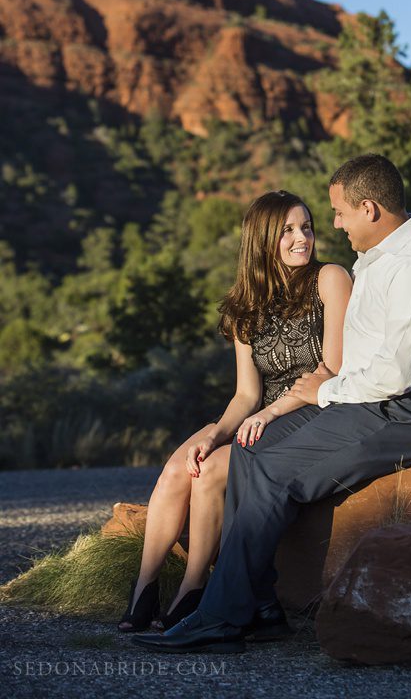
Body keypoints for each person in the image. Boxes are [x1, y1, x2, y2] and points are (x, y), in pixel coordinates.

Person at [134, 153, 411, 653]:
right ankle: (263, 609)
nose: (332, 225)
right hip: (368, 403)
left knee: (272, 472)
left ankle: (221, 619)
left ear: (370, 209)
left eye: (338, 213)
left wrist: (323, 392)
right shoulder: (377, 259)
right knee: (250, 451)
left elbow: (396, 377)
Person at [118, 190, 352, 633]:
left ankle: (193, 589)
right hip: (257, 415)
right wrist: (215, 433)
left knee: (210, 473)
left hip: (310, 411)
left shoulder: (330, 279)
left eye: (306, 227)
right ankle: (145, 588)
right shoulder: (246, 305)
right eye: (287, 231)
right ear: (262, 240)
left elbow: (333, 368)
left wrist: (265, 416)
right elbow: (246, 395)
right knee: (181, 466)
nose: (302, 238)